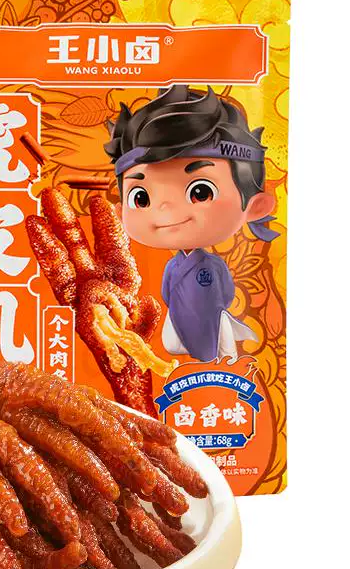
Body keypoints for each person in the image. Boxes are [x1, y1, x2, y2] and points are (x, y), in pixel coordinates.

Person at [104, 85, 278, 362]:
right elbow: (167, 292)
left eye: (200, 192)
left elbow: (227, 292)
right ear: (120, 210)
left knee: (212, 350)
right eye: (141, 198)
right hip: (180, 316)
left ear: (256, 205)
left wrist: (215, 307)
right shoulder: (173, 265)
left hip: (209, 316)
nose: (165, 208)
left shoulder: (213, 264)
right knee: (176, 345)